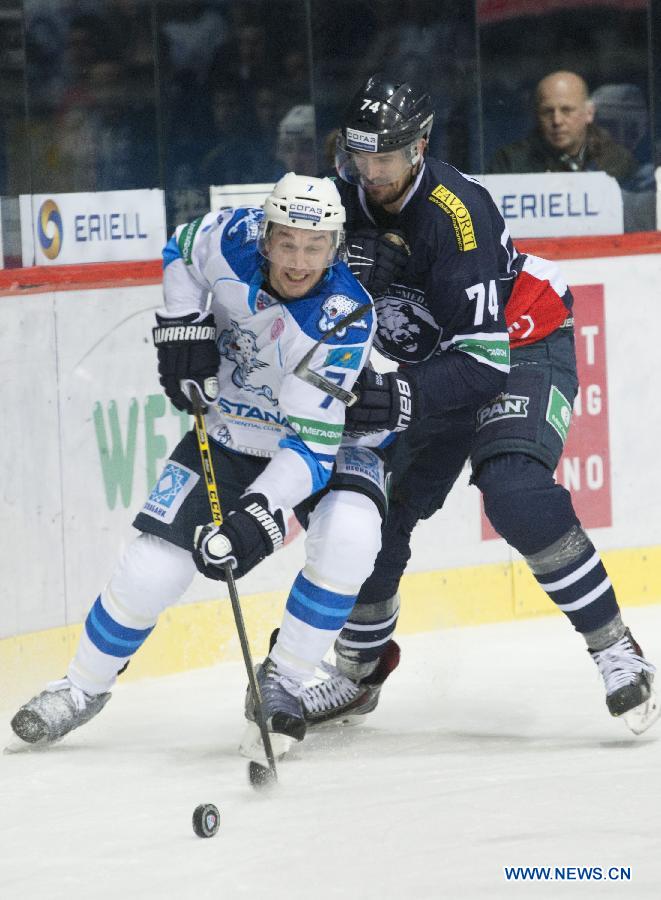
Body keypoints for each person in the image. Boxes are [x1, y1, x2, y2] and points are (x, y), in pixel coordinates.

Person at [296, 74, 659, 737]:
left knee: (514, 488)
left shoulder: (455, 214)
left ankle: (614, 648)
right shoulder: (334, 201)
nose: (372, 174)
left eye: (387, 158)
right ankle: (357, 671)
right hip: (436, 360)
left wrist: (395, 395)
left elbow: (481, 365)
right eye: (359, 158)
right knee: (368, 511)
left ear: (421, 147)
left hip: (517, 347)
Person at [9, 173, 385, 757]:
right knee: (152, 566)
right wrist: (183, 327)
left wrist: (256, 513)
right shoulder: (229, 237)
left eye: (315, 247)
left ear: (335, 247)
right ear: (265, 237)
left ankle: (282, 683)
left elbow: (311, 448)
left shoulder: (343, 318)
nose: (298, 261)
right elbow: (181, 249)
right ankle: (80, 687)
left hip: (319, 447)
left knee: (352, 538)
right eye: (286, 242)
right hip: (230, 432)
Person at [487, 70, 636, 184]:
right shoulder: (509, 163)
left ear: (589, 113)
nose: (557, 120)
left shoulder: (617, 161)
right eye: (547, 112)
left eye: (567, 110)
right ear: (536, 115)